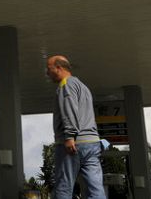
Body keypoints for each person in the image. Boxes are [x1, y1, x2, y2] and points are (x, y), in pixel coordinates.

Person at [45, 55, 106, 199]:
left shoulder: (66, 85)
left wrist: (69, 136)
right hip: (92, 143)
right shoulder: (83, 87)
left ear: (59, 68)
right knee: (95, 188)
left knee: (63, 187)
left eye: (49, 69)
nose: (47, 73)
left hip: (73, 145)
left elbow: (69, 110)